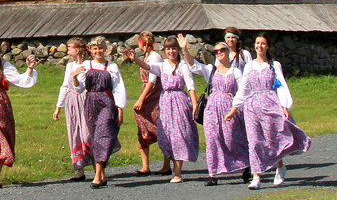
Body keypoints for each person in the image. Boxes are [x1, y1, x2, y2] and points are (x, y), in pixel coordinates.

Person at [225, 33, 311, 189]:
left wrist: (285, 106)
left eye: (263, 43)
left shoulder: (274, 65)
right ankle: (256, 176)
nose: (259, 46)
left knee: (272, 139)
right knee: (253, 141)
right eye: (257, 43)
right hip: (251, 107)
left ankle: (280, 166)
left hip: (270, 104)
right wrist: (234, 108)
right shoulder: (249, 66)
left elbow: (282, 86)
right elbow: (244, 88)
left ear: (268, 46)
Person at [125, 36, 199, 183]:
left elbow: (191, 86)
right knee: (167, 135)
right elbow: (148, 67)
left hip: (179, 102)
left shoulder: (183, 66)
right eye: (168, 49)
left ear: (177, 50)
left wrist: (195, 105)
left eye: (173, 48)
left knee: (179, 135)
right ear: (165, 51)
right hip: (165, 102)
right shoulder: (163, 65)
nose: (171, 51)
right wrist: (135, 59)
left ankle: (178, 173)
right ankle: (170, 167)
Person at [181, 36, 250, 185]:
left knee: (232, 138)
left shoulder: (235, 71)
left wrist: (236, 107)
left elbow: (243, 90)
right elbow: (193, 64)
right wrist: (185, 50)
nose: (219, 53)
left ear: (227, 52)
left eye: (222, 50)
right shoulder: (211, 70)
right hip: (212, 109)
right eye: (216, 51)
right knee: (212, 140)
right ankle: (213, 174)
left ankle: (245, 165)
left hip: (229, 109)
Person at [0, 37, 39, 188]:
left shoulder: (5, 67)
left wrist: (29, 68)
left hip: (0, 105)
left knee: (1, 136)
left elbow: (21, 80)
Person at [72, 36, 125, 188]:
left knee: (103, 134)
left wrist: (120, 109)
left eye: (101, 48)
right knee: (95, 138)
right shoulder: (87, 65)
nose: (98, 51)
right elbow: (80, 88)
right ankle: (102, 173)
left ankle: (96, 175)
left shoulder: (112, 67)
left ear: (105, 49)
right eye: (95, 48)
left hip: (107, 102)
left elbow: (118, 88)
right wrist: (75, 77)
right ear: (91, 50)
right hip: (90, 102)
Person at [130, 30, 169, 175]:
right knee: (142, 127)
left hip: (154, 96)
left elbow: (152, 81)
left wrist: (141, 98)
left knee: (159, 127)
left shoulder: (155, 57)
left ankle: (167, 164)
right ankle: (145, 166)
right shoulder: (146, 56)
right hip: (146, 92)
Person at [52, 37, 90, 180]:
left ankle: (98, 167)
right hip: (72, 103)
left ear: (79, 49)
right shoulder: (70, 66)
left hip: (85, 100)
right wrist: (58, 107)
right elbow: (65, 86)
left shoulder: (88, 65)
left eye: (70, 48)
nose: (68, 50)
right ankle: (79, 170)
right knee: (74, 133)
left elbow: (82, 86)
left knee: (87, 132)